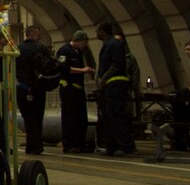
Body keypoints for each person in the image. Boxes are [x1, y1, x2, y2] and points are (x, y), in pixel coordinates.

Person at [95, 22, 135, 155]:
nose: (96, 34)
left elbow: (116, 65)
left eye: (97, 30)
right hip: (109, 86)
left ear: (102, 31)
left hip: (115, 85)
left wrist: (103, 79)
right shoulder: (108, 45)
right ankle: (112, 145)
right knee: (109, 116)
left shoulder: (115, 44)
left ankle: (125, 146)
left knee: (117, 115)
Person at [15, 25, 53, 155]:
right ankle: (35, 145)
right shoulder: (43, 49)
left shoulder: (18, 49)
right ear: (32, 34)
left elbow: (15, 69)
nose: (40, 37)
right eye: (38, 34)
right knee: (38, 117)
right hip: (40, 88)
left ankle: (33, 145)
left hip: (24, 88)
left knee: (28, 118)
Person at [56, 31, 95, 153]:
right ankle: (69, 143)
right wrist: (82, 70)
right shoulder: (64, 51)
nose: (85, 45)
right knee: (70, 117)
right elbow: (63, 68)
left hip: (78, 88)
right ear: (78, 40)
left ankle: (79, 142)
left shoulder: (78, 52)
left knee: (81, 117)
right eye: (84, 42)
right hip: (69, 88)